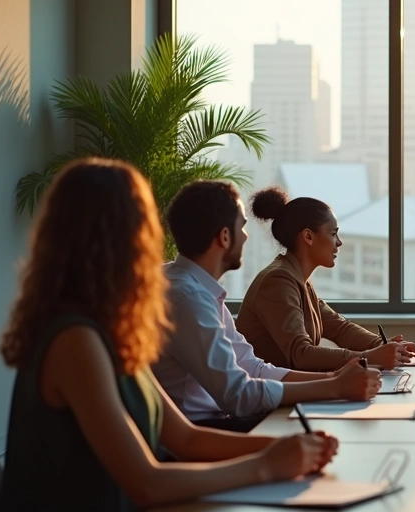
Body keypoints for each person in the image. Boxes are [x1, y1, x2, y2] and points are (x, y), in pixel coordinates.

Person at [0, 158, 338, 512]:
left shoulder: (112, 330)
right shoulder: (75, 341)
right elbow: (146, 482)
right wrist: (264, 466)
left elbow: (186, 438)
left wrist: (290, 448)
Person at [152, 180, 381, 432]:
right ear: (225, 237)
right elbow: (238, 394)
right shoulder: (188, 298)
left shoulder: (199, 291)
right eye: (243, 226)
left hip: (221, 420)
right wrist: (335, 386)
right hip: (206, 429)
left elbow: (252, 367)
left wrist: (334, 379)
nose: (246, 236)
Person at [237, 186, 415, 371]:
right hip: (268, 396)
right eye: (333, 234)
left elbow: (339, 328)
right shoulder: (278, 280)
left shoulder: (298, 279)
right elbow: (301, 355)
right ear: (308, 236)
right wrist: (369, 357)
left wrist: (382, 344)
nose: (339, 242)